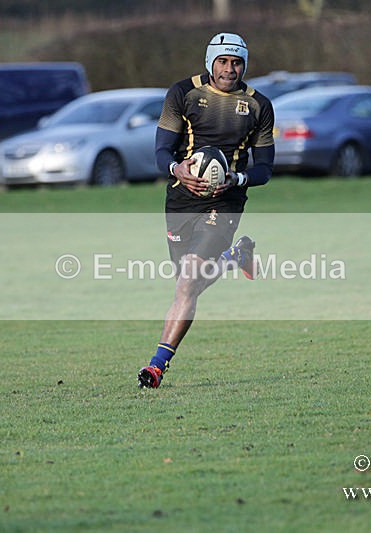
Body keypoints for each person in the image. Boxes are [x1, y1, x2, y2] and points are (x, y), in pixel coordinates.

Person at [138, 32, 275, 389]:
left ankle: (156, 366)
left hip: (225, 201)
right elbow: (161, 152)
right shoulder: (182, 94)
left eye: (237, 62)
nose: (230, 69)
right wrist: (177, 169)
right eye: (223, 62)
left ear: (244, 64)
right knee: (190, 284)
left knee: (186, 284)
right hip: (180, 199)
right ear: (210, 62)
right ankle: (236, 255)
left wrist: (237, 178)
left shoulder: (259, 105)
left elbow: (265, 169)